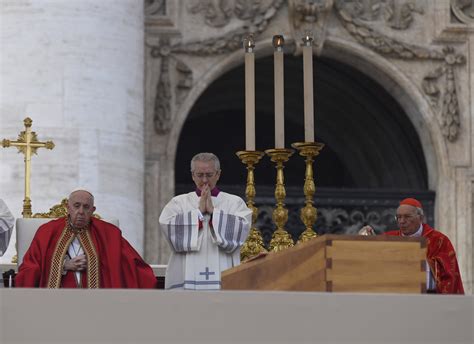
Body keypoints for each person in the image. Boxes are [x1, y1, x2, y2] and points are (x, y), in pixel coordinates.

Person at [16, 189, 157, 288]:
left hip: (98, 304)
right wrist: (63, 265)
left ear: (93, 210)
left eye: (86, 207)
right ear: (68, 207)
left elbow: (132, 266)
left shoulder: (109, 234)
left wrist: (99, 263)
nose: (81, 212)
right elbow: (30, 267)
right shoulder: (47, 232)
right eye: (76, 206)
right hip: (58, 300)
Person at [159, 152, 252, 290]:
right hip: (186, 277)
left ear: (218, 174)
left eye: (209, 175)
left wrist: (214, 213)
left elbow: (241, 229)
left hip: (223, 274)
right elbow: (167, 226)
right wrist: (198, 213)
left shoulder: (234, 202)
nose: (204, 180)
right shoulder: (178, 202)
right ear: (192, 175)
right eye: (199, 175)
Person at [360, 198, 464, 294]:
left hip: (429, 298)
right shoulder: (389, 238)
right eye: (398, 217)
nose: (402, 221)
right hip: (396, 296)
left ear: (421, 218)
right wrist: (370, 240)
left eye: (407, 217)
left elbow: (450, 275)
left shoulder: (439, 240)